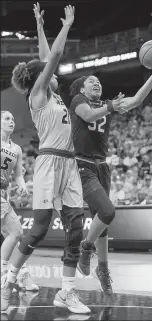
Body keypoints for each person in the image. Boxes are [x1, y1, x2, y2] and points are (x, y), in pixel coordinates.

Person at [1, 5, 90, 314]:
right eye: (47, 70)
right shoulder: (37, 95)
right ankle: (8, 282)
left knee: (75, 227)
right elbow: (51, 58)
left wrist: (40, 26)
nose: (54, 73)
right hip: (49, 163)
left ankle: (67, 293)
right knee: (37, 230)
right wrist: (66, 26)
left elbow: (44, 56)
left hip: (69, 163)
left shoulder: (52, 92)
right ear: (41, 77)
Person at [69, 54, 152, 294]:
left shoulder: (105, 104)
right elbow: (90, 115)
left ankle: (102, 269)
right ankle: (86, 248)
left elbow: (135, 100)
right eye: (91, 81)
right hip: (82, 165)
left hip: (103, 167)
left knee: (104, 222)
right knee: (108, 211)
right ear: (82, 88)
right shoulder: (78, 100)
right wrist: (111, 105)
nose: (97, 83)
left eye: (99, 82)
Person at [1, 111, 38, 291]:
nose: (11, 121)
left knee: (14, 234)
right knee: (15, 233)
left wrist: (21, 185)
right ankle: (12, 274)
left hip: (4, 195)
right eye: (7, 118)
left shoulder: (16, 149)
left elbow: (17, 174)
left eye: (13, 119)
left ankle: (20, 274)